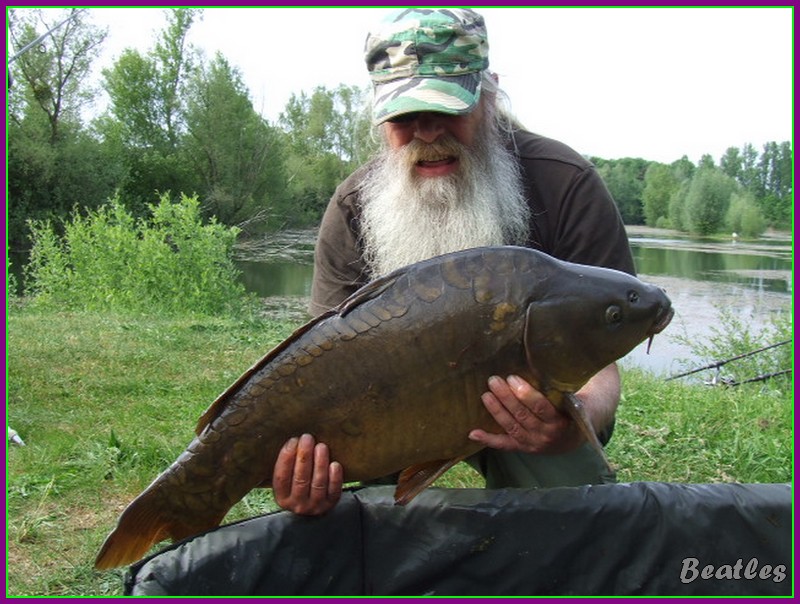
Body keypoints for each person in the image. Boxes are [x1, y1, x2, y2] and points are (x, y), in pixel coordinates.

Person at [271, 8, 636, 515]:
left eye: (447, 108)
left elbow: (602, 363)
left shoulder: (565, 182)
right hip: (398, 404)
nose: (426, 132)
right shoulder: (355, 205)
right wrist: (302, 467)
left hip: (524, 408)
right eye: (403, 116)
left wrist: (577, 418)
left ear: (489, 96)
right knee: (359, 517)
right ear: (380, 118)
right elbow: (321, 365)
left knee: (571, 512)